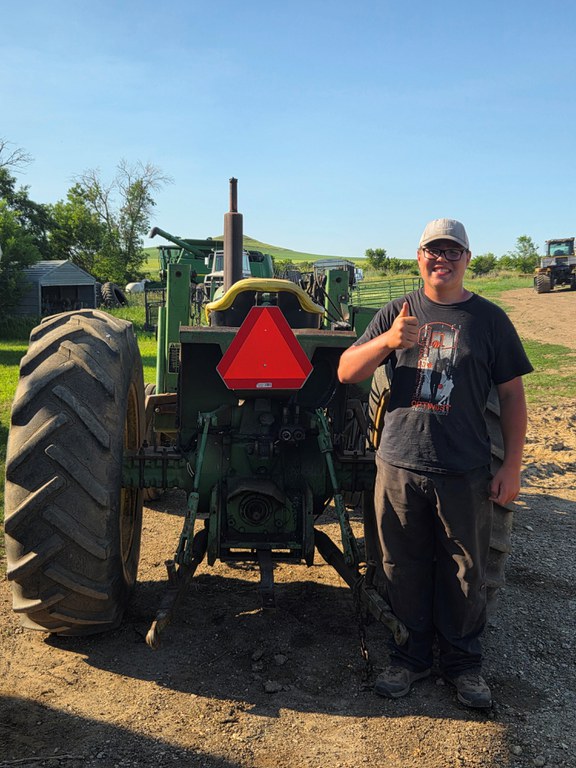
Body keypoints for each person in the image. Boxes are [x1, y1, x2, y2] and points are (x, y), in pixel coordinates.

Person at [338, 218, 532, 709]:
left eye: (452, 251)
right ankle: (409, 658)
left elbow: (511, 396)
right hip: (400, 465)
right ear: (419, 257)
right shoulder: (396, 312)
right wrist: (386, 342)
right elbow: (345, 372)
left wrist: (511, 465)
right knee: (401, 566)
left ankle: (464, 666)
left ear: (467, 259)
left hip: (464, 468)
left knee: (465, 572)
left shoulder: (490, 321)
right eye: (433, 250)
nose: (442, 258)